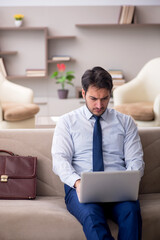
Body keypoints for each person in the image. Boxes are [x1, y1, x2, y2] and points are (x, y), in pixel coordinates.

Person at [51, 66, 145, 240]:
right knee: (93, 218)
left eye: (105, 99)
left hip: (119, 189)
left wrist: (130, 181)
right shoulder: (67, 122)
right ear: (83, 93)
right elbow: (60, 160)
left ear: (111, 94)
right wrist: (78, 183)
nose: (99, 105)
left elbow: (136, 160)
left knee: (131, 212)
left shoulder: (126, 122)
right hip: (80, 189)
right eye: (93, 98)